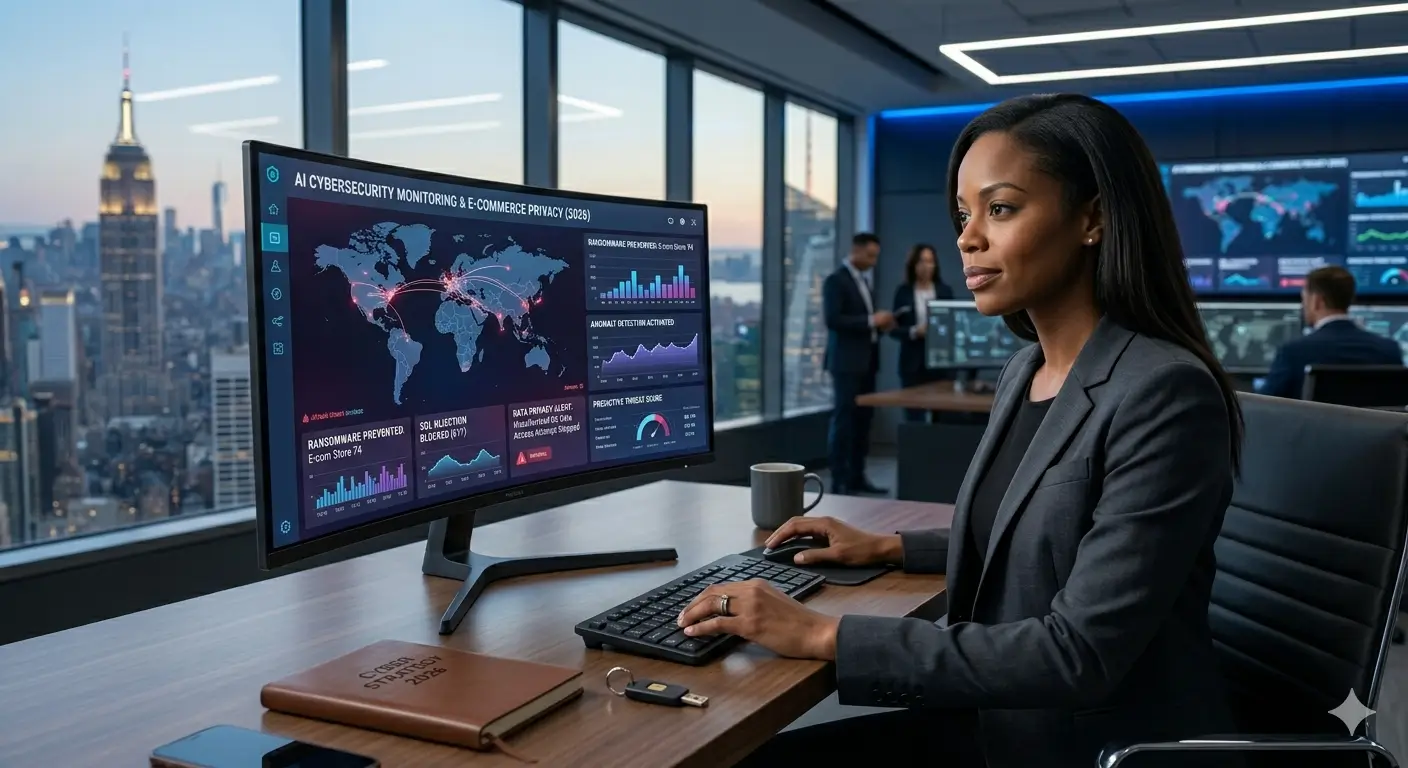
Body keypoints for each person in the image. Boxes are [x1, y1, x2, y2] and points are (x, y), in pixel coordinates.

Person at [677, 94, 1245, 768]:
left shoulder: (1163, 391)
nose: (967, 238)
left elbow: (1078, 653)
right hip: (998, 717)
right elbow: (1043, 528)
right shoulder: (1027, 367)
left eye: (1000, 209)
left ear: (1093, 218)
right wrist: (888, 546)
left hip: (1080, 746)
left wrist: (826, 634)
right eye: (963, 214)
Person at [1259, 265, 1402, 399]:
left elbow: (1264, 406)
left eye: (1304, 300)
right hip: (1374, 426)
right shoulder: (1389, 350)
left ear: (1316, 301)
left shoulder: (1293, 353)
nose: (1303, 307)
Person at [822, 232, 892, 496]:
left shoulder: (862, 281)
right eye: (871, 255)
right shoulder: (835, 281)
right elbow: (834, 320)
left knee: (863, 422)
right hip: (846, 364)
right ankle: (838, 480)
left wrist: (880, 324)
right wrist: (871, 321)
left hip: (867, 361)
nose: (874, 262)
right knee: (844, 421)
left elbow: (863, 321)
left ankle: (857, 476)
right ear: (857, 251)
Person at [890, 243, 954, 421]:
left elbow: (953, 324)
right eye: (921, 261)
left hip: (940, 362)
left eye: (930, 261)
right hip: (912, 362)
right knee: (913, 415)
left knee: (943, 413)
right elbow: (893, 329)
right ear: (913, 265)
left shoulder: (944, 291)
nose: (926, 266)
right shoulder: (903, 292)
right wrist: (913, 331)